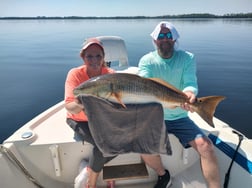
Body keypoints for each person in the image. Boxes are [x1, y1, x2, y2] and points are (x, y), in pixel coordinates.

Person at [138, 21, 221, 188]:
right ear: (155, 39)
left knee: (207, 147)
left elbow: (190, 82)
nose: (165, 39)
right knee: (143, 147)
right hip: (155, 117)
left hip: (181, 117)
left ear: (175, 39)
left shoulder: (187, 58)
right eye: (161, 36)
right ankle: (163, 174)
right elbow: (145, 83)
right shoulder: (147, 60)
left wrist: (190, 94)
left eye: (169, 35)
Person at [64, 37, 115, 188]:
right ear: (83, 57)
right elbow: (69, 106)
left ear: (103, 57)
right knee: (103, 145)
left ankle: (87, 169)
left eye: (98, 56)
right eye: (89, 56)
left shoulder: (110, 74)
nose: (94, 60)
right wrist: (82, 101)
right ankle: (90, 183)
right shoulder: (75, 74)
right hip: (79, 120)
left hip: (101, 119)